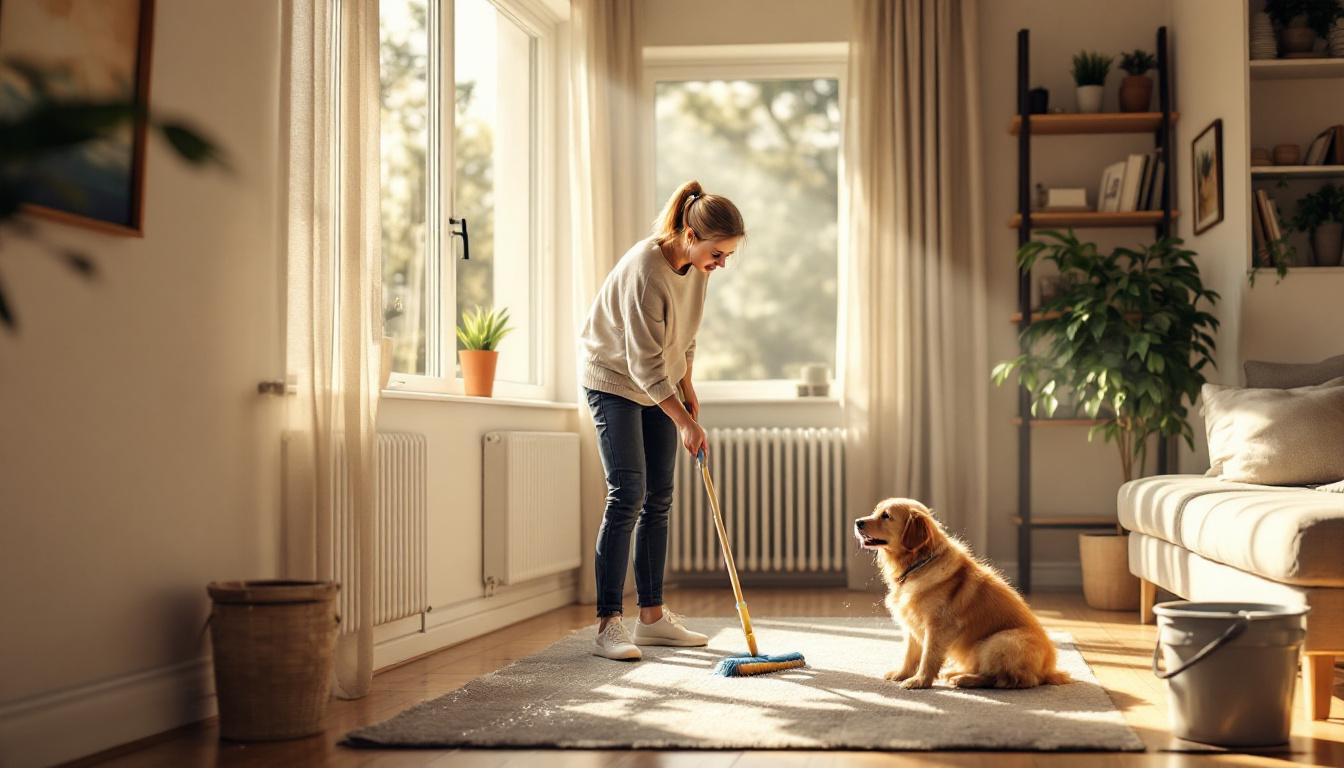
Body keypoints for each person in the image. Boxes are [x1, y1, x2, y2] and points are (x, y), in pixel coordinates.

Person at [579, 179, 746, 660]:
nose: (721, 264)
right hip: (613, 378)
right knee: (627, 491)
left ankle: (651, 619)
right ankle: (608, 623)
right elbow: (643, 365)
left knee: (660, 496)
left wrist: (688, 384)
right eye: (718, 253)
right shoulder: (645, 270)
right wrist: (684, 422)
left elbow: (684, 336)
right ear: (691, 237)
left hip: (657, 380)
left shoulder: (698, 267)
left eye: (727, 256)